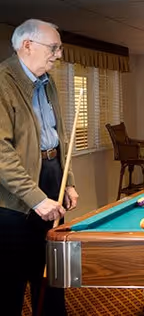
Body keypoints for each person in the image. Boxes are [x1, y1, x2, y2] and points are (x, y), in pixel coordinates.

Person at [0, 19, 79, 316]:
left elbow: (58, 135)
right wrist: (35, 198)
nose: (58, 54)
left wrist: (66, 181)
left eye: (59, 48)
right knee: (11, 282)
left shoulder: (47, 81)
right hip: (12, 200)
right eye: (54, 47)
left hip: (50, 178)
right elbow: (1, 153)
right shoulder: (2, 82)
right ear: (27, 45)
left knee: (49, 274)